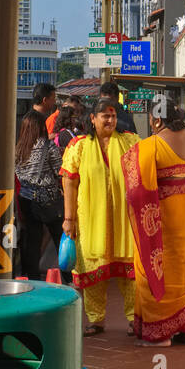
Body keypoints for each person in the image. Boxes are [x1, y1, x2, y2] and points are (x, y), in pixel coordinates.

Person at [122, 101, 185, 347]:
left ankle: (160, 334)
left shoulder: (151, 146)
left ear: (157, 120)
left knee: (157, 269)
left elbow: (136, 191)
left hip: (165, 221)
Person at [60, 99, 140, 336]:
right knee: (93, 272)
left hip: (124, 221)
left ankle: (134, 319)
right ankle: (96, 320)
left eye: (113, 116)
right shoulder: (79, 146)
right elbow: (70, 183)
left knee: (131, 274)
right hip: (89, 220)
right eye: (105, 116)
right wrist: (69, 219)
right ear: (92, 119)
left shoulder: (129, 142)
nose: (110, 120)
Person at [15, 110, 64, 281]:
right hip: (48, 199)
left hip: (26, 200)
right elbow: (60, 171)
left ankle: (32, 276)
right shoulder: (49, 146)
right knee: (59, 237)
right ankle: (67, 276)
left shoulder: (19, 148)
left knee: (32, 240)